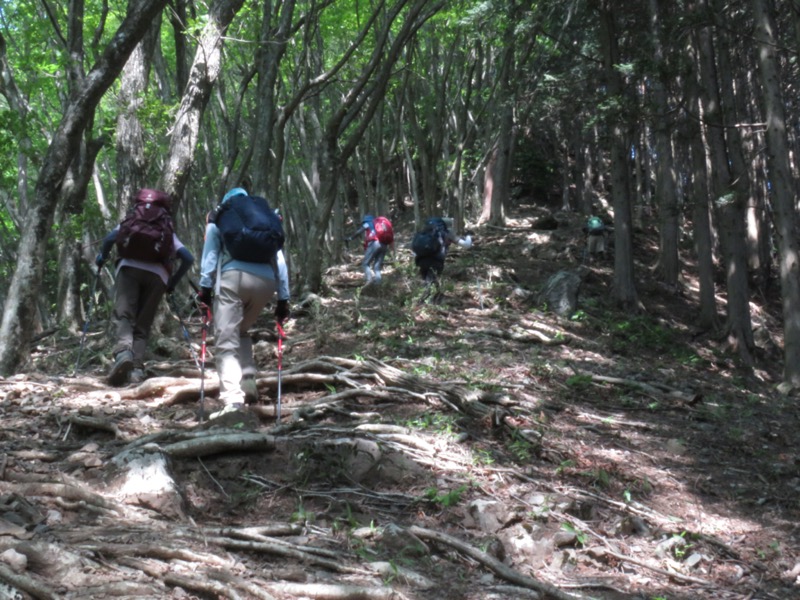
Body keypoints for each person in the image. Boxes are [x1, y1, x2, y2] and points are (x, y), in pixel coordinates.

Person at [198, 187, 291, 419]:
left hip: (233, 279)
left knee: (225, 338)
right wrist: (283, 300)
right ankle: (248, 382)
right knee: (241, 331)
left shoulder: (219, 219)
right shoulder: (266, 222)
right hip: (266, 283)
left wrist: (205, 290)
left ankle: (232, 400)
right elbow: (279, 262)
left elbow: (210, 256)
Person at [96, 189, 194, 386]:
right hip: (158, 277)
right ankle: (137, 371)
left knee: (124, 315)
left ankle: (124, 353)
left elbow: (108, 240)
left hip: (128, 268)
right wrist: (172, 283)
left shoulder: (132, 220)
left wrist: (101, 258)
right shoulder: (166, 228)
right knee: (143, 323)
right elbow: (188, 258)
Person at [412, 217, 472, 303]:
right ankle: (429, 304)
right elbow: (466, 245)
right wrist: (468, 236)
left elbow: (414, 248)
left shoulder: (425, 232)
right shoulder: (448, 233)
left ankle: (429, 301)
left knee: (426, 280)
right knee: (431, 281)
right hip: (436, 261)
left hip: (421, 260)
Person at [346, 215, 392, 286]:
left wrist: (350, 238)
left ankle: (369, 280)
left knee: (365, 263)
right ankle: (378, 285)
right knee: (377, 266)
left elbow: (359, 231)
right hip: (384, 245)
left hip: (375, 244)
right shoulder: (378, 224)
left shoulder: (368, 223)